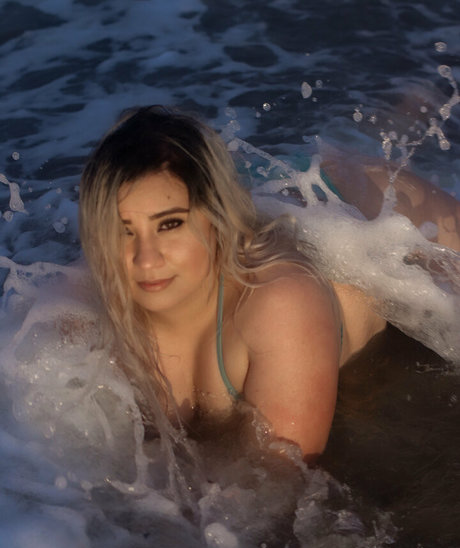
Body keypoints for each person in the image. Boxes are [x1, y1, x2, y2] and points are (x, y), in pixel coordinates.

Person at [79, 105, 460, 463]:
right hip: (279, 190)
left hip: (376, 209)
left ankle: (415, 102)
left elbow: (282, 481)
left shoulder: (280, 302)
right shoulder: (86, 309)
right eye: (122, 230)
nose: (146, 259)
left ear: (216, 217)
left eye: (170, 224)